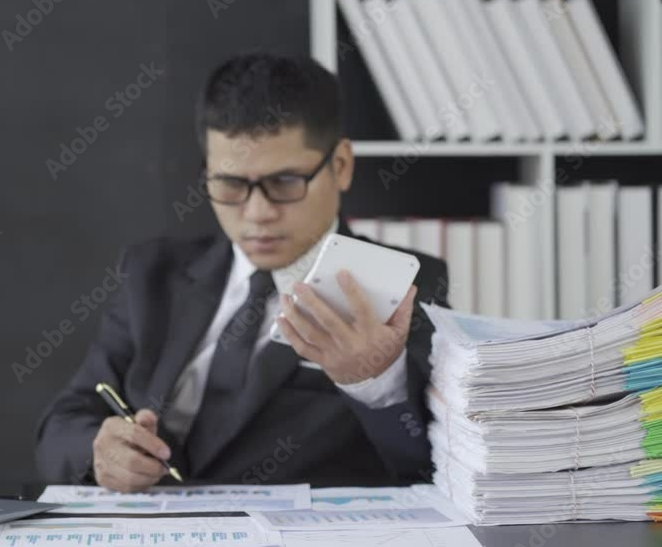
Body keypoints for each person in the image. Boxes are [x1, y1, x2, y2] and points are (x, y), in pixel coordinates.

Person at [35, 52, 450, 492]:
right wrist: (99, 452)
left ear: (341, 167)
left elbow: (434, 466)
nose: (257, 214)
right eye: (231, 184)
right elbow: (61, 426)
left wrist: (377, 382)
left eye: (285, 182)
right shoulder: (152, 273)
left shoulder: (403, 288)